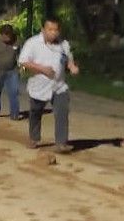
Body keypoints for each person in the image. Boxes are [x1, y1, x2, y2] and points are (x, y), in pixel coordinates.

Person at [18, 16, 80, 153]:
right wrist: (42, 69)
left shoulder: (64, 44)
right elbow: (23, 61)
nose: (53, 32)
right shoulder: (33, 43)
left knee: (62, 112)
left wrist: (72, 67)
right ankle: (34, 138)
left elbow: (68, 60)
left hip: (59, 86)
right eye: (50, 29)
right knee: (35, 113)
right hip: (39, 86)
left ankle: (61, 143)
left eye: (56, 30)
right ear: (43, 30)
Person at [0, 24, 21, 120]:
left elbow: (20, 55)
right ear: (1, 35)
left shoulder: (17, 40)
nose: (8, 39)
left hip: (12, 71)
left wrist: (21, 66)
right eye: (6, 36)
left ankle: (14, 114)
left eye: (10, 36)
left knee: (14, 92)